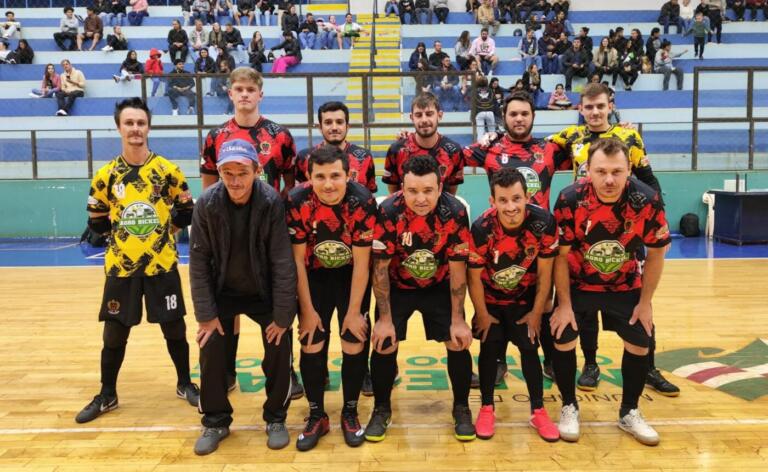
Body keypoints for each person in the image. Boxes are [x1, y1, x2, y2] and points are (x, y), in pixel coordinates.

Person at [546, 84, 679, 397]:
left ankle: (648, 367)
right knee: (586, 307)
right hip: (584, 228)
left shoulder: (630, 136)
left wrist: (659, 221)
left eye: (600, 106)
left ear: (610, 106)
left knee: (638, 299)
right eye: (589, 107)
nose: (595, 112)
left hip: (626, 226)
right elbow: (538, 150)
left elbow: (647, 177)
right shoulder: (570, 136)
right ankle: (590, 364)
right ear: (580, 108)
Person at [76, 97, 198, 424]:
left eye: (141, 123)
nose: (135, 129)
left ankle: (185, 383)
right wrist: (123, 240)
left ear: (148, 128)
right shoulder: (105, 175)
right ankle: (107, 394)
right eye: (129, 123)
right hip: (121, 268)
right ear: (119, 127)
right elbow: (96, 220)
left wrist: (163, 233)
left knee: (174, 327)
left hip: (162, 264)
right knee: (114, 333)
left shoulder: (167, 171)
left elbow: (186, 211)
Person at [550, 137, 671, 446]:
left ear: (629, 169)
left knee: (641, 342)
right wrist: (563, 304)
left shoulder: (647, 200)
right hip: (578, 283)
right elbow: (560, 257)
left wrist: (645, 303)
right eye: (601, 171)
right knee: (563, 338)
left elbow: (657, 253)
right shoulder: (569, 199)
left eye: (617, 172)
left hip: (625, 284)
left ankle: (629, 411)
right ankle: (569, 406)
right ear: (587, 170)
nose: (609, 180)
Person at [190, 138, 297, 455]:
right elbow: (198, 262)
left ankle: (276, 418)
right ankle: (215, 421)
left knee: (279, 345)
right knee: (210, 345)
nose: (235, 181)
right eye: (228, 173)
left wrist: (282, 317)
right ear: (220, 172)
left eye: (242, 173)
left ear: (256, 171)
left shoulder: (271, 202)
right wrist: (206, 316)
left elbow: (282, 262)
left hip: (263, 291)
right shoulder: (207, 204)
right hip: (223, 291)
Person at [365, 155, 475, 443]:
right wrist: (384, 319)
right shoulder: (388, 210)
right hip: (398, 286)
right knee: (384, 343)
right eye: (412, 191)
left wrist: (458, 319)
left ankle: (461, 408)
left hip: (439, 285)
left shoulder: (455, 212)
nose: (421, 199)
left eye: (428, 191)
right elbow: (379, 269)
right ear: (402, 188)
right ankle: (381, 409)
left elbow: (458, 268)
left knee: (457, 340)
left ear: (440, 188)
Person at [286, 146, 377, 451]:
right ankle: (317, 415)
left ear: (348, 175)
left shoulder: (363, 201)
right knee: (311, 341)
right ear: (309, 177)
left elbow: (363, 264)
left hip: (351, 276)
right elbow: (297, 261)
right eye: (320, 177)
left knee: (354, 339)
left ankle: (350, 412)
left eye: (335, 176)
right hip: (314, 277)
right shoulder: (297, 201)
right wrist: (307, 311)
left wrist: (354, 312)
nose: (328, 184)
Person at [468, 167, 560, 442]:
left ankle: (538, 411)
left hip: (525, 301)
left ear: (527, 197)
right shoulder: (481, 229)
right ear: (492, 201)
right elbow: (473, 278)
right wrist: (482, 314)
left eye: (516, 199)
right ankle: (486, 408)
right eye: (503, 200)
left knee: (530, 350)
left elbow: (545, 273)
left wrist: (536, 313)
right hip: (491, 301)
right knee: (488, 349)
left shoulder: (544, 223)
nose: (510, 207)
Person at [383, 93, 464, 195]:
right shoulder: (396, 150)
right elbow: (393, 192)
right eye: (418, 115)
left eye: (429, 114)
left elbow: (451, 193)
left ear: (439, 116)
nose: (424, 120)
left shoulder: (454, 151)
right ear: (412, 118)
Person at [294, 101, 377, 194]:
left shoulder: (365, 156)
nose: (334, 127)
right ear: (320, 127)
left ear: (347, 127)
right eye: (328, 122)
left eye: (339, 122)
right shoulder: (304, 157)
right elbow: (299, 195)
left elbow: (370, 194)